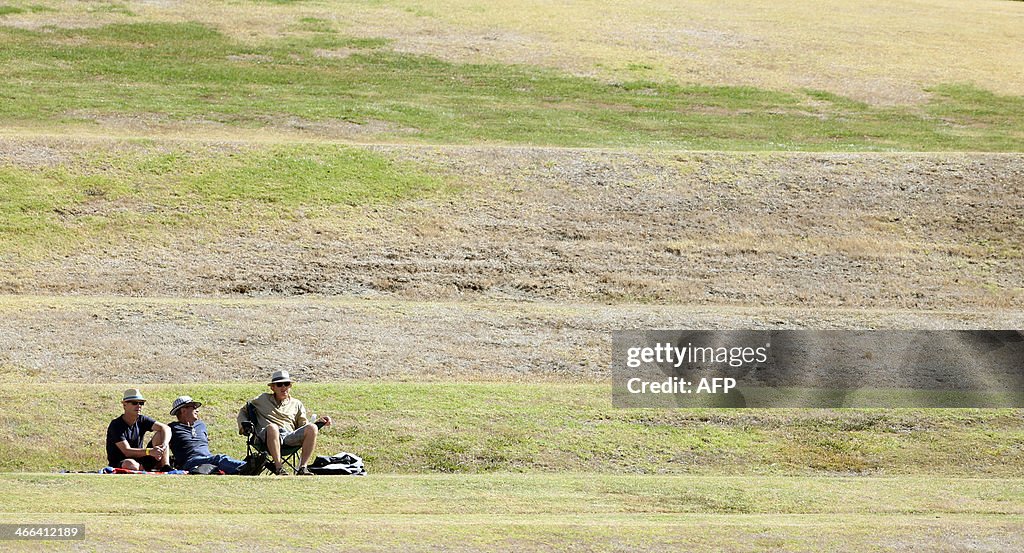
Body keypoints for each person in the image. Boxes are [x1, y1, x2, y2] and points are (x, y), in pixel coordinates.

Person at [237, 370, 332, 476]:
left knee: (312, 428)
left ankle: (303, 468)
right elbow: (243, 411)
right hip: (265, 437)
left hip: (288, 436)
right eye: (279, 384)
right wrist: (243, 426)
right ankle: (278, 467)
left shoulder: (296, 404)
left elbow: (303, 425)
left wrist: (318, 423)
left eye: (286, 384)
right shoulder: (262, 399)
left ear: (290, 386)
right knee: (273, 427)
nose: (283, 387)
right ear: (273, 387)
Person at [167, 396, 248, 475]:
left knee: (217, 460)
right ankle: (246, 467)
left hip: (207, 458)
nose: (197, 410)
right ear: (183, 410)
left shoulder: (201, 425)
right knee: (219, 459)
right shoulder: (172, 428)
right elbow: (160, 445)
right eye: (194, 407)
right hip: (190, 461)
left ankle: (245, 467)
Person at [106, 388, 172, 471]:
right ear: (124, 405)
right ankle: (146, 468)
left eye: (141, 403)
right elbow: (127, 451)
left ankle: (165, 466)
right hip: (122, 462)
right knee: (130, 464)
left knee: (161, 434)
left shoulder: (142, 419)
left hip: (141, 460)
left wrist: (164, 445)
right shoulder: (116, 425)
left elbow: (166, 428)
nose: (139, 406)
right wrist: (150, 452)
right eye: (134, 403)